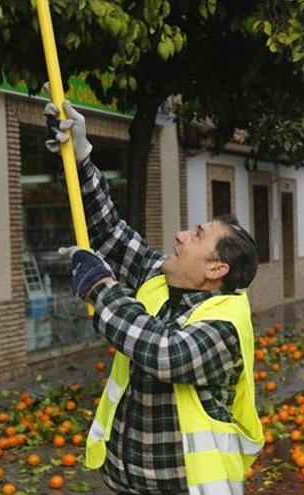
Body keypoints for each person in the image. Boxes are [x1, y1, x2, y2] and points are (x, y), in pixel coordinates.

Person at [46, 101, 263, 495]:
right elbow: (108, 230)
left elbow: (165, 352)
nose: (180, 235)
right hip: (123, 481)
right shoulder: (160, 276)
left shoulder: (225, 326)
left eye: (196, 235)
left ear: (217, 270)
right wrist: (80, 157)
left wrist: (100, 288)